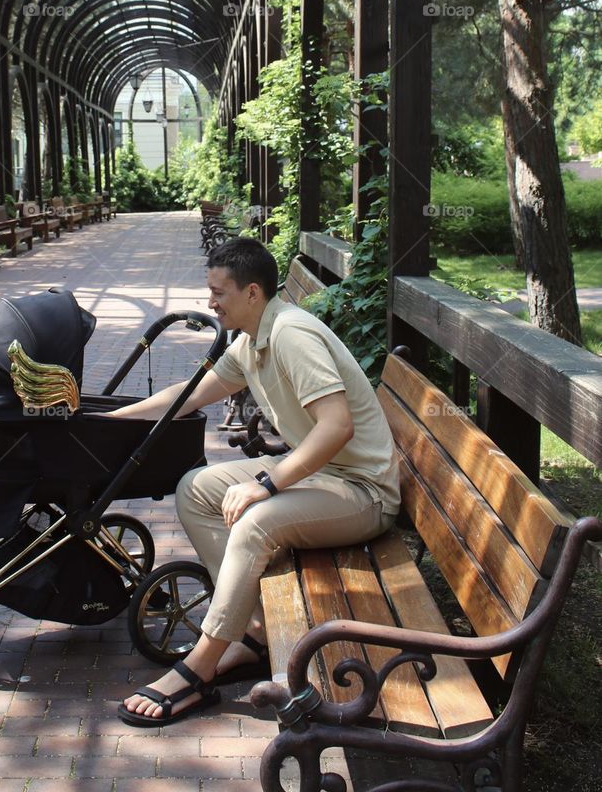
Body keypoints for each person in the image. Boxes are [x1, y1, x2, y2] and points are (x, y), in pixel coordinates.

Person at [109, 236, 401, 728]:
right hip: (325, 477)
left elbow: (337, 426)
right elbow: (193, 393)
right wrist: (112, 419)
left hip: (363, 492)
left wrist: (266, 484)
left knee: (254, 521)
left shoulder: (291, 335)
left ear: (251, 292)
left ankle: (200, 668)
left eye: (218, 292)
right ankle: (254, 631)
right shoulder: (251, 340)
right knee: (196, 489)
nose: (210, 303)